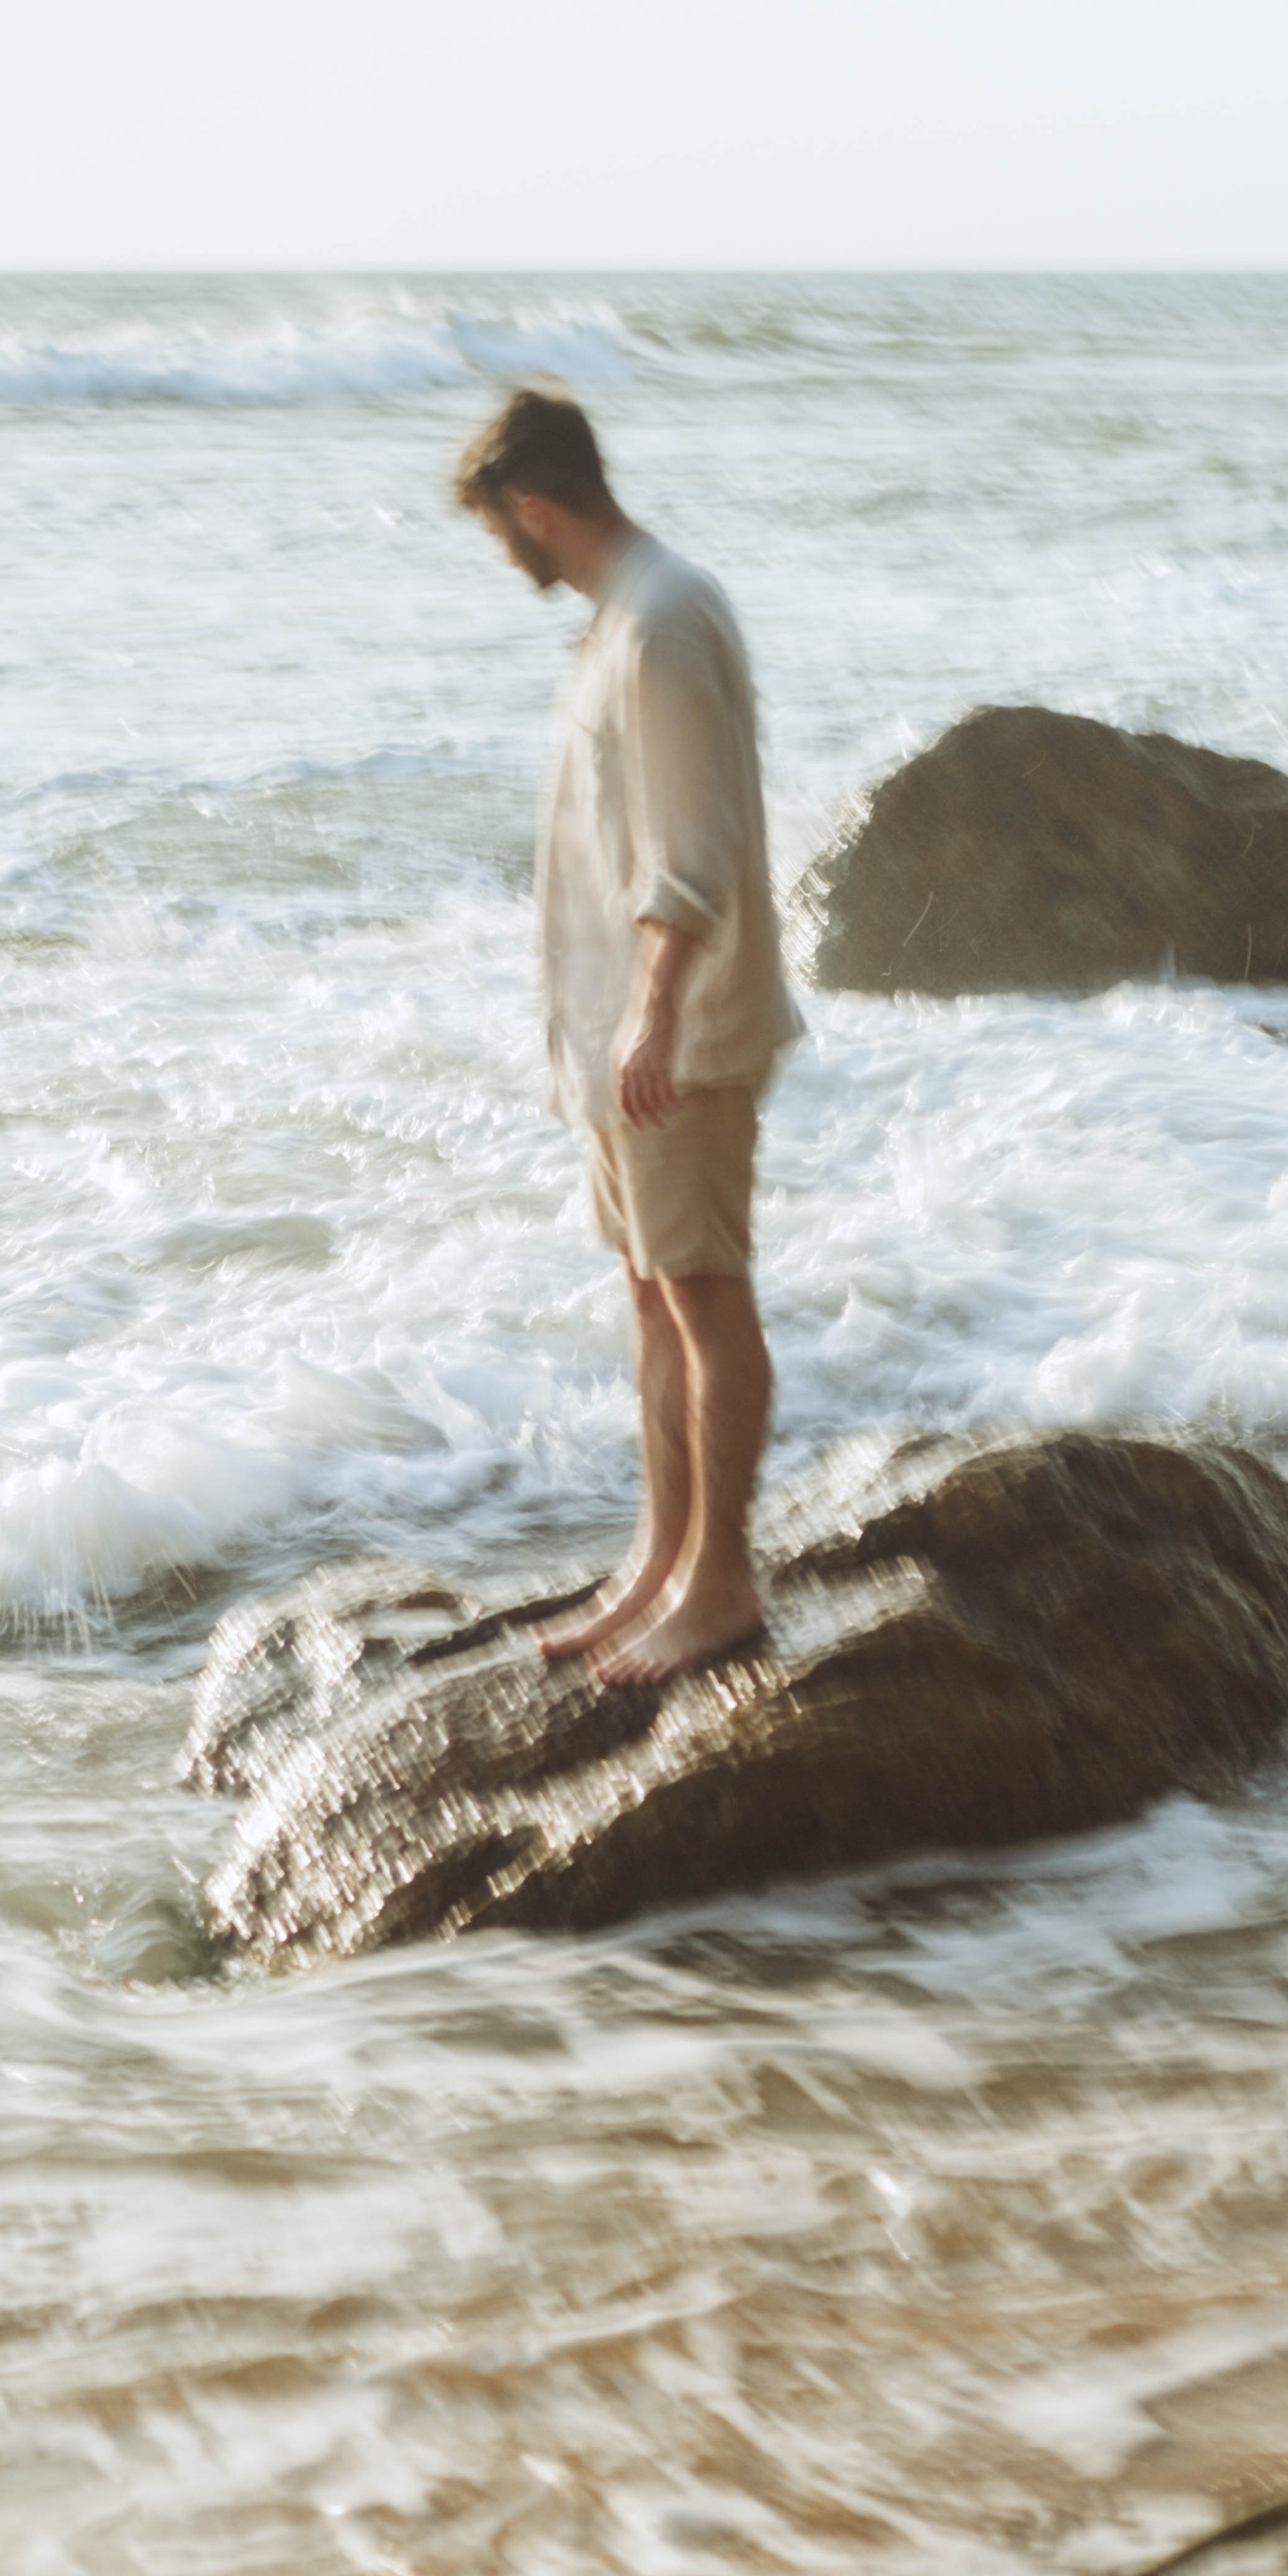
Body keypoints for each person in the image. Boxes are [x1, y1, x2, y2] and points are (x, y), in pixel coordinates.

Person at [455, 385, 799, 1683]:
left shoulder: (660, 622)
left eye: (500, 530)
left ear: (535, 508)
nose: (503, 554)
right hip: (620, 1034)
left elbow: (693, 846)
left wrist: (655, 1008)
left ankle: (722, 1587)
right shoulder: (619, 624)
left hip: (681, 1032)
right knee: (655, 1301)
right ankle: (664, 1562)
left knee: (706, 1301)